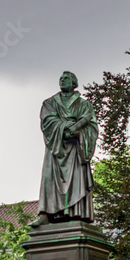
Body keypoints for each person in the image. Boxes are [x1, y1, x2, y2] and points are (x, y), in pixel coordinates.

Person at [33, 71, 99, 227]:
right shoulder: (49, 103)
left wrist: (78, 131)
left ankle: (76, 212)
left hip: (76, 147)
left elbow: (92, 127)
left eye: (66, 78)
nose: (62, 80)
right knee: (49, 178)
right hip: (56, 147)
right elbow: (47, 121)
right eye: (60, 79)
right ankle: (46, 213)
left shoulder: (83, 104)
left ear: (74, 83)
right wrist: (65, 127)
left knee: (77, 178)